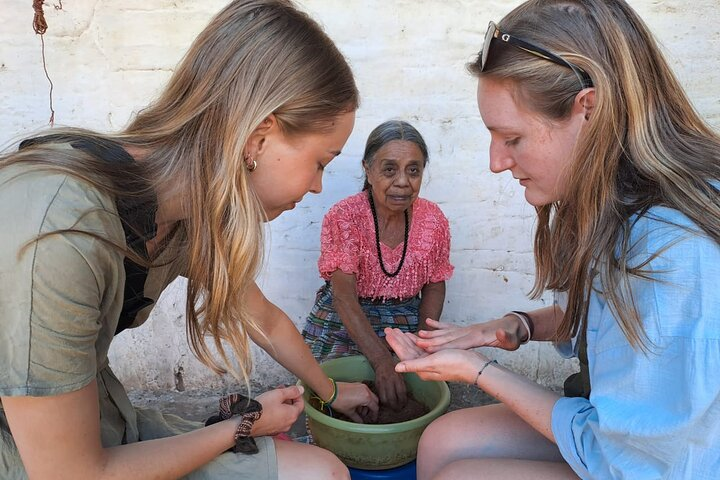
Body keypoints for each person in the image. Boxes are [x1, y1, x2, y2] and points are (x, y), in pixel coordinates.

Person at [0, 1, 380, 479]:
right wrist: (239, 426)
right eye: (321, 161)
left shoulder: (184, 210)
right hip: (35, 457)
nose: (318, 185)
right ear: (258, 137)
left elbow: (262, 318)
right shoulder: (60, 233)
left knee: (321, 471)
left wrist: (328, 391)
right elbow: (72, 473)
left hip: (102, 429)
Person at [385, 0, 720, 478]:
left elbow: (636, 462)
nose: (495, 162)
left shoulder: (674, 252)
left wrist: (479, 372)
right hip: (621, 437)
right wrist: (511, 326)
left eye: (512, 138)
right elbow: (604, 323)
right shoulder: (619, 200)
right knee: (443, 439)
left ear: (589, 109)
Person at [302, 120, 453, 410]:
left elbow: (435, 286)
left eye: (413, 170)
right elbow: (344, 297)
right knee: (334, 394)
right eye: (389, 169)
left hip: (406, 320)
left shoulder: (433, 220)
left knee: (416, 391)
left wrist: (419, 346)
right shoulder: (345, 216)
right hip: (345, 319)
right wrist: (382, 360)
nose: (402, 182)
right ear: (368, 170)